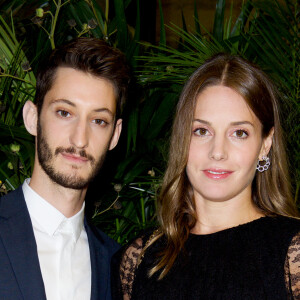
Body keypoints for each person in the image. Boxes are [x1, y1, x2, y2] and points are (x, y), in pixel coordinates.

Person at [112, 53, 300, 299]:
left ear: (266, 143)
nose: (218, 152)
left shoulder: (292, 255)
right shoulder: (138, 260)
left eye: (239, 133)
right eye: (201, 131)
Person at [0, 37, 130, 300]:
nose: (79, 139)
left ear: (115, 135)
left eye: (98, 120)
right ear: (32, 118)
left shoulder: (117, 265)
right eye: (64, 113)